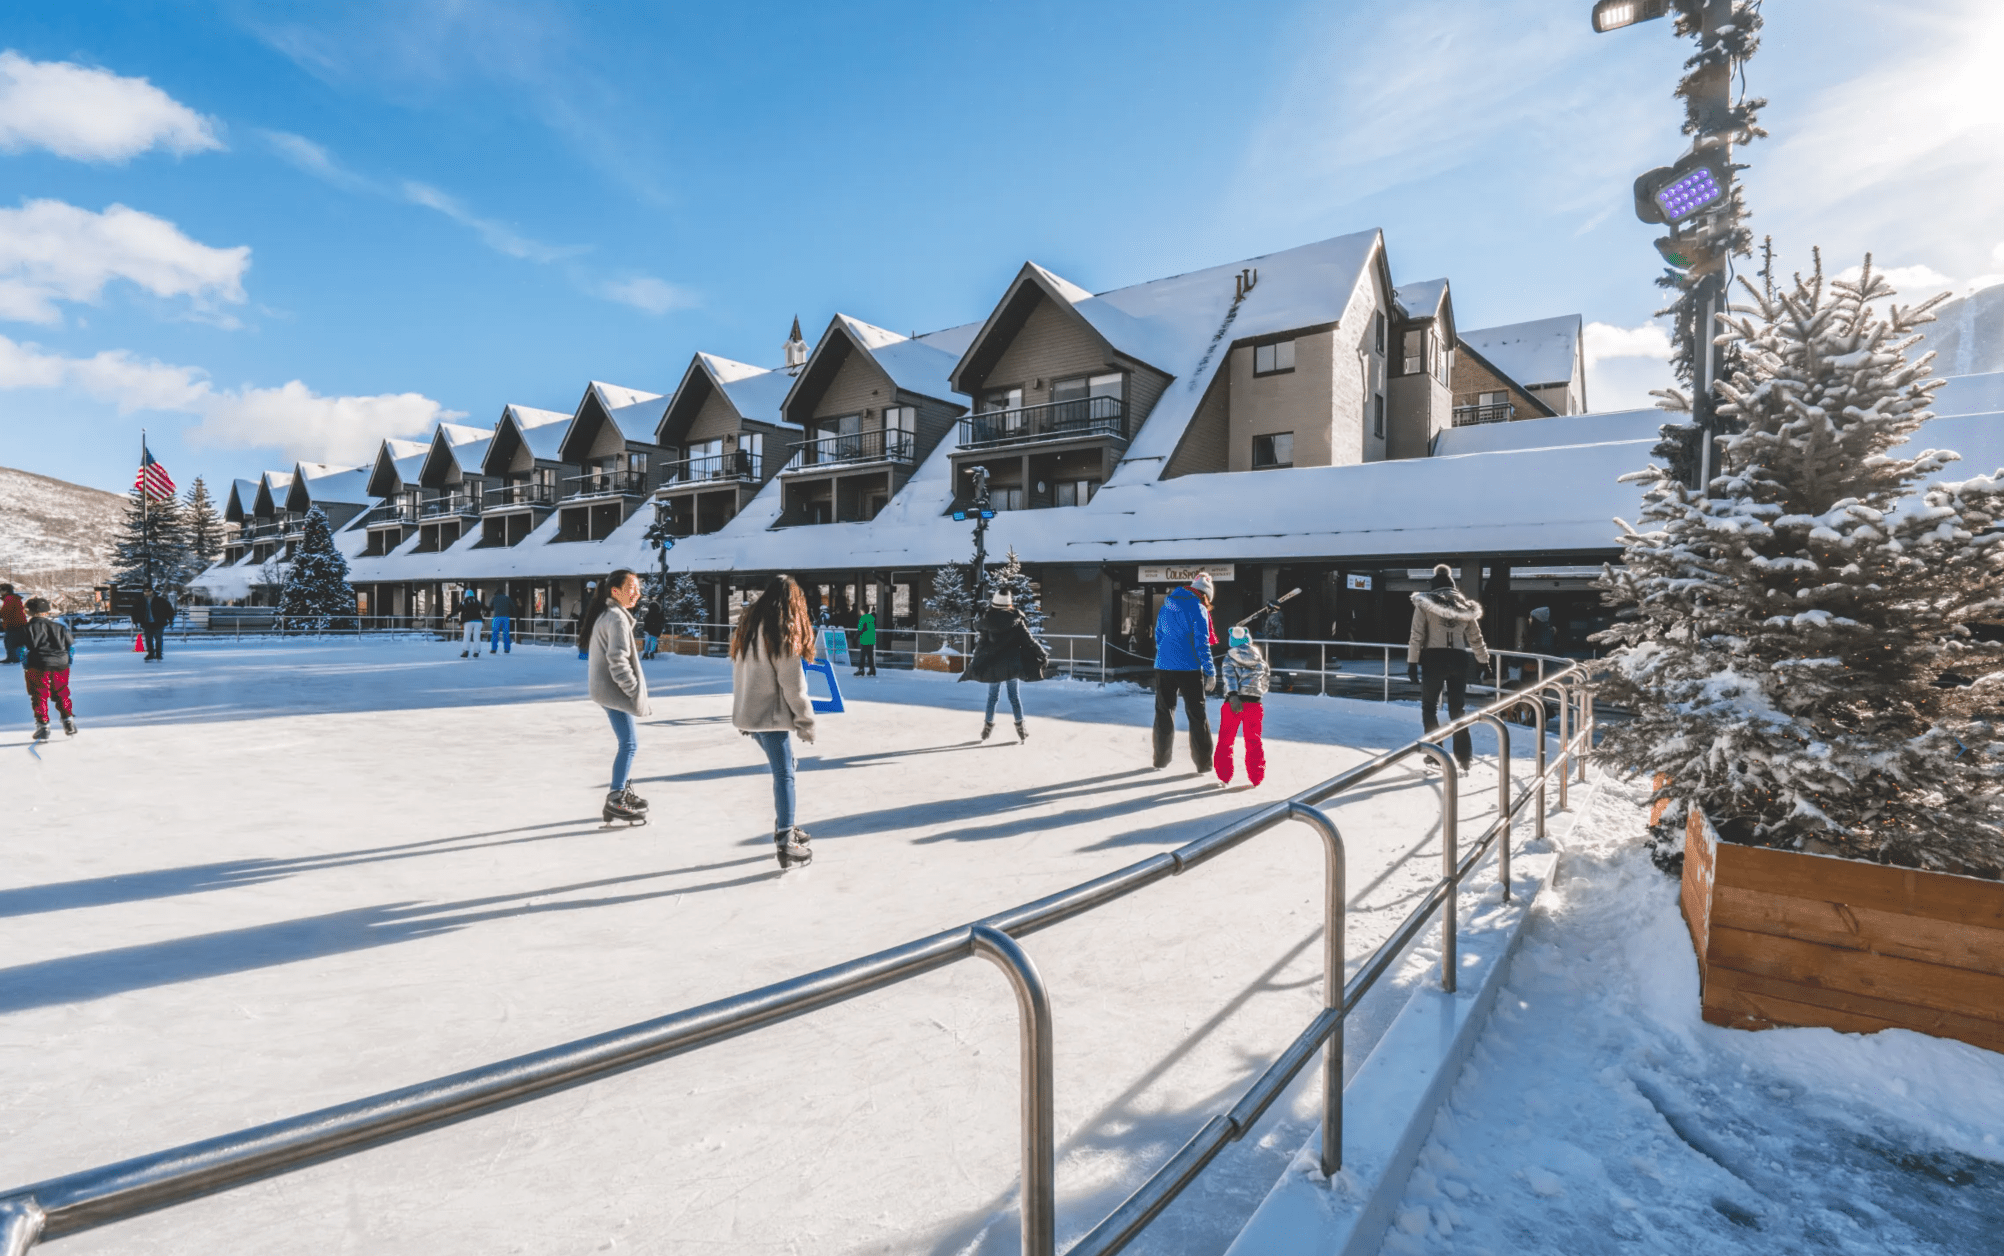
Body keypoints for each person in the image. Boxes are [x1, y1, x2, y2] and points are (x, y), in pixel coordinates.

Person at [730, 575, 818, 869]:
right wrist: (806, 722)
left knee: (786, 767)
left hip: (752, 715)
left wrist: (744, 715)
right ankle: (785, 840)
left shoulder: (750, 627)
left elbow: (740, 672)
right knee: (784, 775)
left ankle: (787, 825)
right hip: (771, 716)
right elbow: (794, 685)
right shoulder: (783, 631)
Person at [1406, 564, 1490, 771]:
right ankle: (1464, 756)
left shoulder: (1424, 604)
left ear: (1434, 586)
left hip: (1433, 659)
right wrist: (1484, 661)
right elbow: (1475, 638)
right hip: (1459, 659)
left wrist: (1412, 662)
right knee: (1457, 709)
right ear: (1453, 586)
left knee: (1429, 707)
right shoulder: (1464, 606)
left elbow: (1417, 635)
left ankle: (1435, 755)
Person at [582, 569, 650, 824]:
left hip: (604, 689)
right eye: (632, 587)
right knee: (629, 744)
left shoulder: (608, 614)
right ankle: (616, 797)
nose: (637, 593)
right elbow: (618, 661)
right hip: (613, 691)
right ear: (615, 591)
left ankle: (617, 793)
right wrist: (633, 691)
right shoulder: (616, 618)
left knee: (628, 743)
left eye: (638, 587)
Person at [1153, 573, 1217, 772]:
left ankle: (1160, 760)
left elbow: (1159, 636)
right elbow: (1201, 642)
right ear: (1205, 594)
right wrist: (1210, 670)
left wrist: (1167, 654)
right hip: (1189, 668)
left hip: (1164, 666)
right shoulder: (1198, 608)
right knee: (1197, 715)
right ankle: (1204, 764)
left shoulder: (1165, 607)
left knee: (1164, 712)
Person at [964, 590, 1048, 742]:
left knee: (992, 697)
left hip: (994, 665)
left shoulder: (988, 620)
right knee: (1014, 697)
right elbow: (1029, 640)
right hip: (1012, 665)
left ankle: (987, 729)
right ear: (1009, 603)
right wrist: (1042, 653)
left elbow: (981, 644)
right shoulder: (1016, 620)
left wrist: (976, 661)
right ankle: (1021, 730)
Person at [1215, 625, 1270, 786]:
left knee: (1226, 739)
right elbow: (1265, 683)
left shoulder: (1229, 658)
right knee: (1253, 740)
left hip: (1233, 702)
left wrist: (1233, 694)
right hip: (1254, 703)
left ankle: (1224, 776)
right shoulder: (1260, 660)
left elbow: (1229, 677)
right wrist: (1255, 692)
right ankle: (1256, 777)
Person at [21, 597, 76, 741]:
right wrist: (68, 662)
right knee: (62, 692)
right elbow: (71, 647)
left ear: (30, 612)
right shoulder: (60, 627)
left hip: (38, 664)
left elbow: (23, 650)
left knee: (39, 694)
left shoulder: (27, 628)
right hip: (61, 664)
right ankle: (68, 721)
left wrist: (26, 665)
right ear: (47, 611)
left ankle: (43, 726)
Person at [136, 587, 174, 661]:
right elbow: (136, 612)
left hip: (159, 623)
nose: (147, 592)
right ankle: (151, 654)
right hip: (147, 623)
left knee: (158, 639)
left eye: (149, 590)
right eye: (145, 590)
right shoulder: (141, 601)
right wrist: (136, 621)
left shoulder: (160, 600)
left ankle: (158, 654)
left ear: (152, 591)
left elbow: (169, 610)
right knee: (148, 639)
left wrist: (170, 620)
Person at [0, 583, 25, 664]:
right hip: (18, 623)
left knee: (10, 642)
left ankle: (13, 658)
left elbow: (6, 612)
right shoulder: (14, 598)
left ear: (5, 591)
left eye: (1, 590)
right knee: (15, 642)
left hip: (13, 624)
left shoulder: (9, 598)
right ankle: (15, 658)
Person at [456, 590, 485, 658]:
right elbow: (485, 608)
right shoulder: (478, 601)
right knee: (477, 637)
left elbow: (457, 610)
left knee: (467, 636)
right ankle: (476, 652)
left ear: (466, 595)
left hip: (468, 621)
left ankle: (466, 651)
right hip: (478, 621)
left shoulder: (464, 602)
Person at [853, 604, 879, 677]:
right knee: (870, 655)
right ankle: (872, 669)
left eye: (861, 610)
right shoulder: (872, 617)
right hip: (871, 639)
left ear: (863, 611)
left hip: (865, 639)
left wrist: (855, 637)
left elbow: (860, 629)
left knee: (862, 655)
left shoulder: (862, 618)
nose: (860, 612)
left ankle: (861, 669)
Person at [490, 588, 515, 655]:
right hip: (506, 617)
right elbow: (513, 607)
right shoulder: (507, 598)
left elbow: (490, 608)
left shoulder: (494, 598)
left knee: (495, 633)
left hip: (497, 617)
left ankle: (493, 649)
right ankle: (507, 649)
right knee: (506, 633)